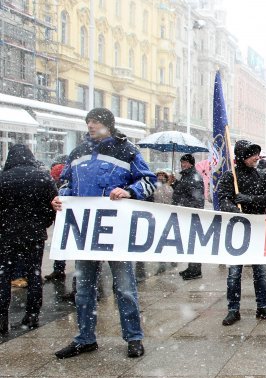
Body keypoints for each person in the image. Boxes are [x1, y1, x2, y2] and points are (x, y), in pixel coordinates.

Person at [51, 107, 155, 359]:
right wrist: (61, 197)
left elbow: (148, 182)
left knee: (125, 288)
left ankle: (133, 337)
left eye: (96, 121)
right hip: (85, 232)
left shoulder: (127, 150)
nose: (90, 125)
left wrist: (129, 191)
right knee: (84, 289)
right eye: (88, 121)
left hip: (115, 232)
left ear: (108, 124)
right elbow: (67, 184)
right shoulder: (77, 152)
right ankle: (85, 338)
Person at [217, 140, 266, 326]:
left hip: (257, 231)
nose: (257, 157)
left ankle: (262, 306)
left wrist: (249, 199)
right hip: (236, 231)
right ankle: (233, 309)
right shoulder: (230, 177)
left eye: (258, 154)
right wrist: (235, 210)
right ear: (243, 156)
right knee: (234, 273)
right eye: (253, 154)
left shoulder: (261, 175)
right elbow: (223, 200)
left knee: (260, 272)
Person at [0, 144, 58, 334]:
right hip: (34, 234)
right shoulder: (43, 177)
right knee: (34, 274)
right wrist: (43, 224)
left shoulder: (3, 178)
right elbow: (53, 205)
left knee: (4, 275)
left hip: (7, 235)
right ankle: (32, 314)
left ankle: (2, 318)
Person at [172, 154, 206, 280]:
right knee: (189, 243)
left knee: (193, 243)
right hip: (184, 213)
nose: (183, 164)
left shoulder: (194, 176)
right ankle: (191, 267)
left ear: (191, 163)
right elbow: (182, 191)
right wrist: (174, 184)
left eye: (185, 162)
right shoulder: (186, 175)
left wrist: (183, 206)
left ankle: (195, 270)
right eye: (182, 162)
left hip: (191, 215)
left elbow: (196, 198)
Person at [44, 155, 68, 283]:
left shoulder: (55, 176)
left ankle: (59, 269)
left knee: (60, 241)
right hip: (66, 212)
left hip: (60, 212)